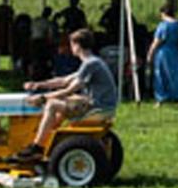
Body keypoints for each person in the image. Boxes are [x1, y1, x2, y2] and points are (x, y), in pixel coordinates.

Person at [14, 29, 117, 160]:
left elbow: (69, 89)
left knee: (52, 105)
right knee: (64, 102)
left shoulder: (90, 64)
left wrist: (42, 98)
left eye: (72, 45)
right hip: (100, 105)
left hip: (98, 108)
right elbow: (64, 80)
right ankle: (49, 138)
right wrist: (38, 85)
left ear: (77, 45)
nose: (71, 48)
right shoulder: (93, 62)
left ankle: (37, 147)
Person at [149, 4, 178, 108]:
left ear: (163, 13)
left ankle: (160, 99)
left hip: (163, 52)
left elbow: (156, 42)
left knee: (160, 75)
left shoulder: (163, 26)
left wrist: (150, 54)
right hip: (176, 52)